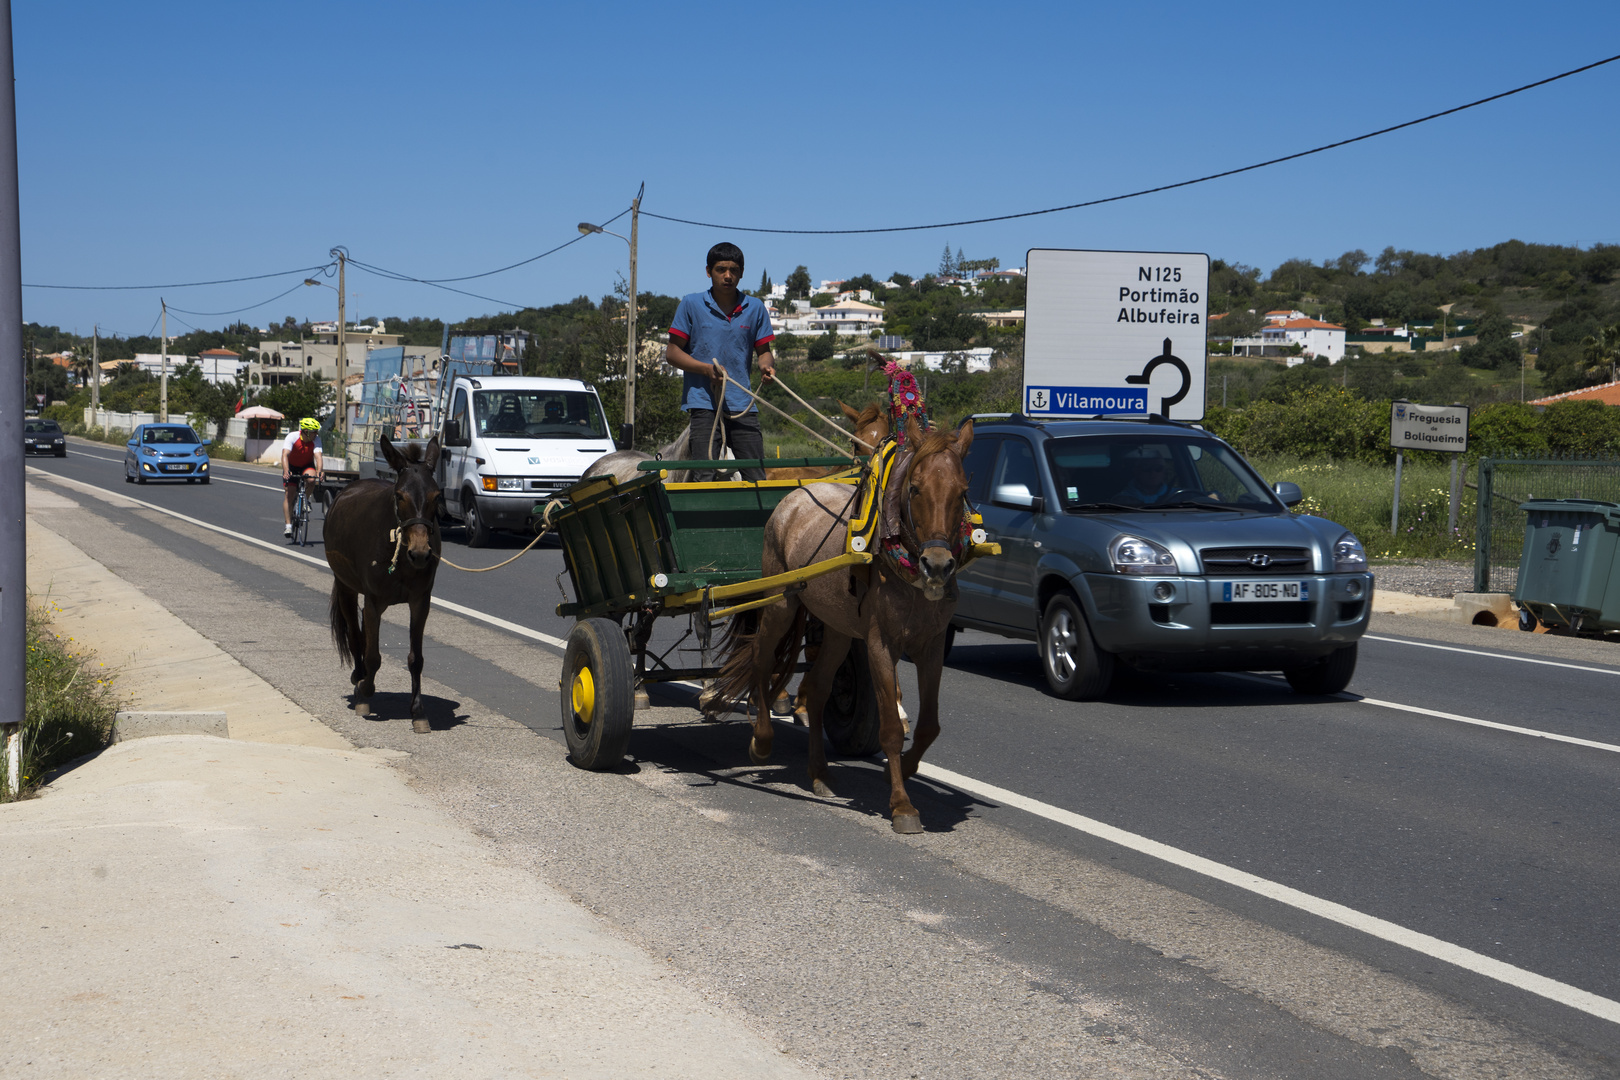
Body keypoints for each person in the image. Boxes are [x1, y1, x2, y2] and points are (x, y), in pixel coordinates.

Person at [665, 241, 776, 481]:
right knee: (704, 475)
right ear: (708, 271)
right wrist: (705, 369)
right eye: (721, 269)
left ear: (741, 273)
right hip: (704, 403)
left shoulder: (755, 307)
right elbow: (672, 353)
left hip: (742, 402)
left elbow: (764, 352)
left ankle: (757, 520)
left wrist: (766, 367)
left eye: (734, 270)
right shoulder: (691, 304)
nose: (728, 276)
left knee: (756, 474)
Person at [281, 418, 324, 537]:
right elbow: (285, 455)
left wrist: (320, 471)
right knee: (289, 495)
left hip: (306, 465)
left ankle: (306, 499)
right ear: (306, 431)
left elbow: (318, 457)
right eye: (314, 432)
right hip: (292, 466)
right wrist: (286, 470)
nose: (316, 434)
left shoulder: (316, 440)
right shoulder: (292, 437)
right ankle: (288, 526)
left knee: (311, 479)